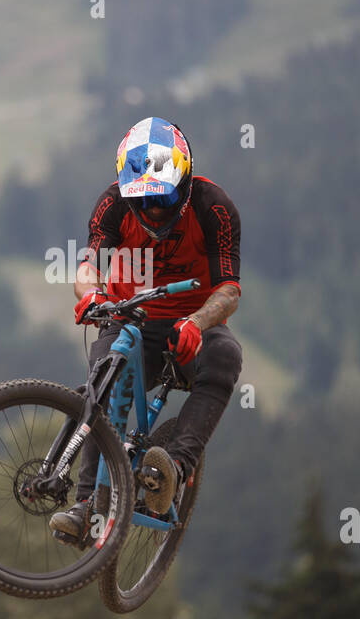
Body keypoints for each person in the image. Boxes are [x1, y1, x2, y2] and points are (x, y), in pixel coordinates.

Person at [49, 116, 242, 541]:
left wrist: (196, 322)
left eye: (164, 197)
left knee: (226, 355)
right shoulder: (112, 204)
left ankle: (173, 467)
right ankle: (85, 506)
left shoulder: (214, 207)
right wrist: (90, 296)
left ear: (184, 182)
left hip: (192, 326)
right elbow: (88, 267)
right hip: (129, 317)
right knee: (102, 379)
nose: (154, 209)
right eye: (144, 199)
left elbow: (229, 290)